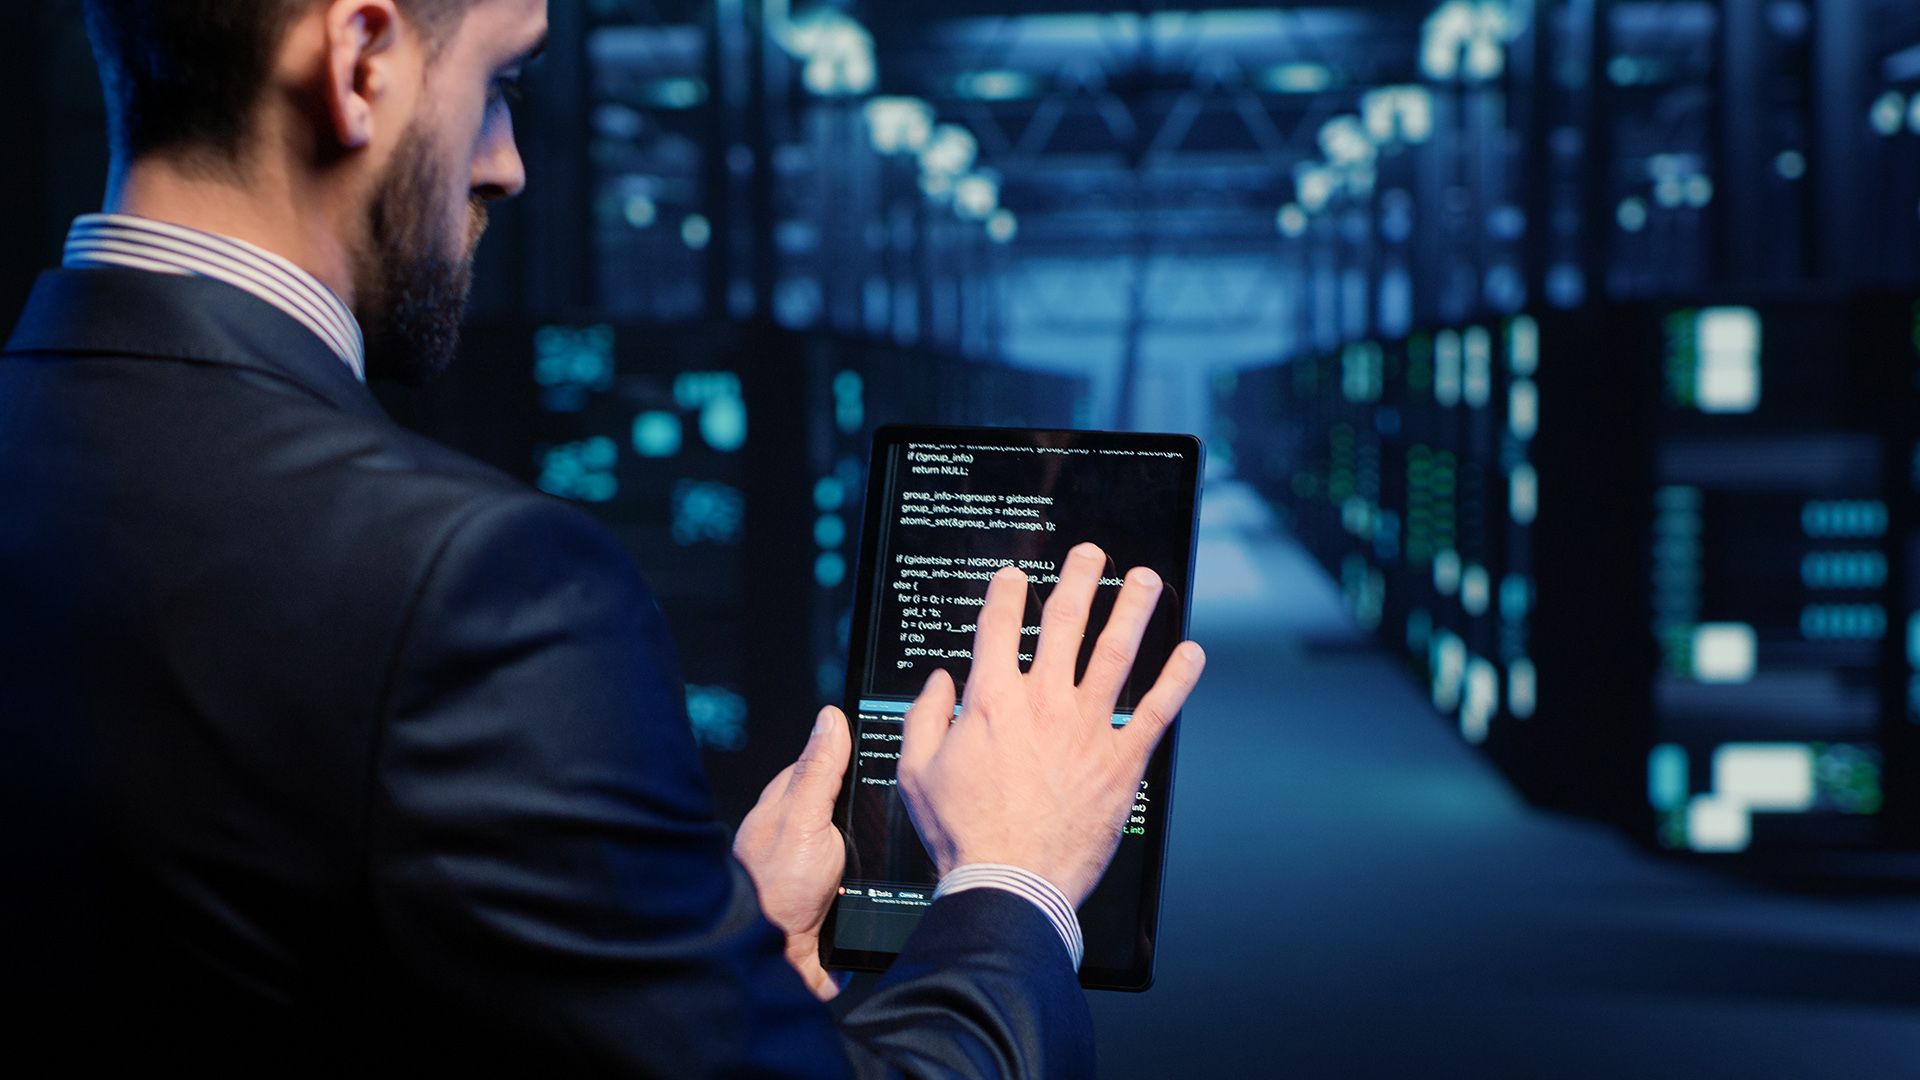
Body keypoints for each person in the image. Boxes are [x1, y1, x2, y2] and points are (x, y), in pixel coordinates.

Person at [0, 0, 1207, 1075]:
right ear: (361, 59)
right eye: (502, 81)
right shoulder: (485, 586)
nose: (510, 164)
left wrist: (696, 951)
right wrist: (1010, 878)